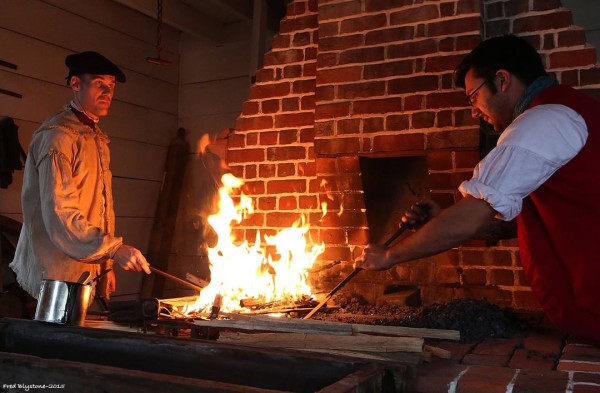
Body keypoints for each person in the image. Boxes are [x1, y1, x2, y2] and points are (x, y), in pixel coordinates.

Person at [355, 35, 600, 342]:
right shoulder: (571, 111)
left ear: (502, 80)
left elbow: (474, 213)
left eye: (473, 97)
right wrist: (444, 219)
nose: (473, 111)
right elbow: (506, 222)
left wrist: (388, 255)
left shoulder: (544, 121)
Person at [10, 51, 151, 303]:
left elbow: (100, 207)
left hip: (82, 269)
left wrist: (104, 265)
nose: (108, 93)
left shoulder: (94, 137)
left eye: (111, 86)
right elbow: (60, 214)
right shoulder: (58, 138)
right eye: (99, 84)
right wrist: (113, 249)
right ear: (75, 84)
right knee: (53, 341)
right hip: (52, 274)